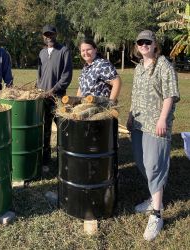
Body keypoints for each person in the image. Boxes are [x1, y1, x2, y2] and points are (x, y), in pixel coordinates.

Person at [126, 30, 180, 241]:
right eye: (140, 42)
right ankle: (153, 198)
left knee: (154, 165)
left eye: (147, 41)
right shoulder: (139, 67)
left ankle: (156, 214)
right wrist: (130, 115)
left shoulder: (163, 64)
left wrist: (162, 119)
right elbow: (135, 95)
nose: (144, 45)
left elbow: (169, 95)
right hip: (139, 123)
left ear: (155, 44)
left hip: (156, 125)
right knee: (141, 162)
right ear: (137, 45)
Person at [37, 24, 73, 168]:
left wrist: (53, 90)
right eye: (46, 34)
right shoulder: (41, 53)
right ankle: (46, 159)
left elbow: (67, 76)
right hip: (43, 98)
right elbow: (39, 75)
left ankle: (63, 159)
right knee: (45, 128)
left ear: (56, 34)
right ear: (43, 36)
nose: (49, 37)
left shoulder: (64, 51)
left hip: (58, 98)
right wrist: (40, 90)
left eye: (51, 34)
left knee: (62, 128)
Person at [77, 39, 121, 104]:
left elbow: (117, 82)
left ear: (95, 50)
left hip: (100, 110)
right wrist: (76, 103)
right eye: (83, 50)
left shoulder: (102, 64)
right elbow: (81, 88)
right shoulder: (85, 68)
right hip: (86, 109)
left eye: (88, 49)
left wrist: (110, 103)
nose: (85, 53)